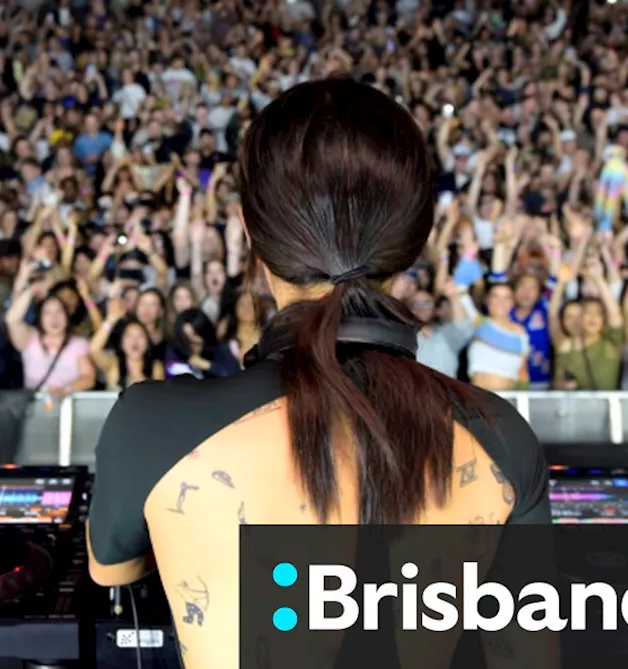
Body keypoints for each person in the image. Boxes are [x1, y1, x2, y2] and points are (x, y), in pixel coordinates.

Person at [88, 79, 551, 669]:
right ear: (418, 240)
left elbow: (113, 570)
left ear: (249, 232)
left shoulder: (149, 422)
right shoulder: (502, 435)